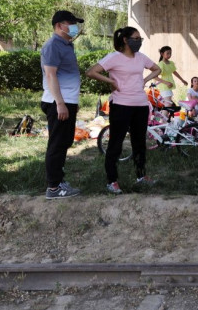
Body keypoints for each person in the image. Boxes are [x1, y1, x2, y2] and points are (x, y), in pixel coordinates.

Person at [86, 27, 161, 194]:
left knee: (140, 143)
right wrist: (110, 82)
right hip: (120, 105)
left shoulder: (141, 57)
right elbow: (91, 72)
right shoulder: (114, 57)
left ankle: (141, 176)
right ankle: (112, 181)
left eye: (140, 39)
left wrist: (144, 80)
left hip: (140, 105)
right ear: (125, 40)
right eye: (136, 38)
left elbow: (157, 69)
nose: (139, 41)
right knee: (116, 143)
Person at [40, 10, 84, 199]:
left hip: (68, 101)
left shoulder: (66, 45)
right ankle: (54, 188)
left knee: (64, 142)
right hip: (57, 102)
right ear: (59, 25)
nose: (75, 27)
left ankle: (59, 180)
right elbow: (50, 75)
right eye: (71, 23)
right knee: (57, 144)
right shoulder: (52, 45)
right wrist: (60, 103)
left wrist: (72, 102)